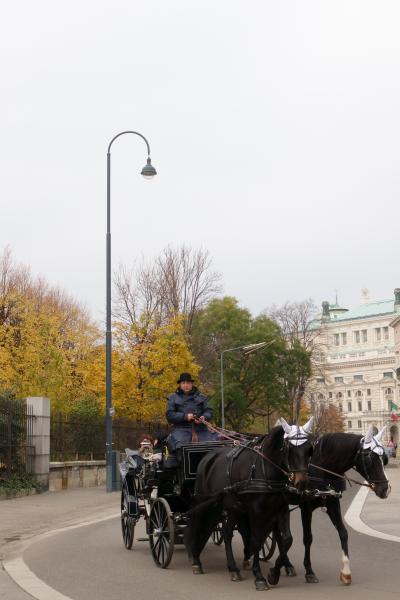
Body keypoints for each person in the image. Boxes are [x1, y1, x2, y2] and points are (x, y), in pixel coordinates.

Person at [166, 372, 218, 452]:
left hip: (201, 429)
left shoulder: (202, 397)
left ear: (191, 384)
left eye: (188, 383)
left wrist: (204, 417)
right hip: (181, 429)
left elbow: (209, 411)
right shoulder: (173, 398)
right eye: (183, 383)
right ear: (180, 384)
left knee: (212, 446)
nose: (186, 385)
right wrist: (185, 416)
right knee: (180, 446)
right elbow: (170, 415)